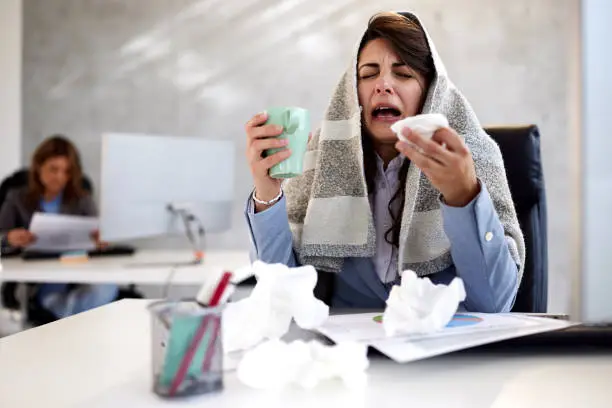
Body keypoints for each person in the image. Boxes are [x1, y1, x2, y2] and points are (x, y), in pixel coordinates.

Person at [243, 11, 525, 312]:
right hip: (343, 340)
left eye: (403, 74)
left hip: (441, 341)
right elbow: (280, 295)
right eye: (368, 74)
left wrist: (464, 196)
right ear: (352, 94)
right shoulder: (322, 158)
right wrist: (267, 193)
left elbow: (494, 304)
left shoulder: (473, 155)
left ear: (431, 92)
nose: (383, 84)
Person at [0, 135, 118, 319]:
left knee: (106, 289)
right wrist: (9, 238)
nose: (60, 177)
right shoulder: (16, 198)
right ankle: (75, 320)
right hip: (40, 273)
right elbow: (2, 236)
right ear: (38, 166)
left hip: (77, 269)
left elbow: (99, 235)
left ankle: (69, 318)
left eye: (67, 171)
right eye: (53, 169)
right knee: (58, 299)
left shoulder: (82, 198)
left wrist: (101, 240)